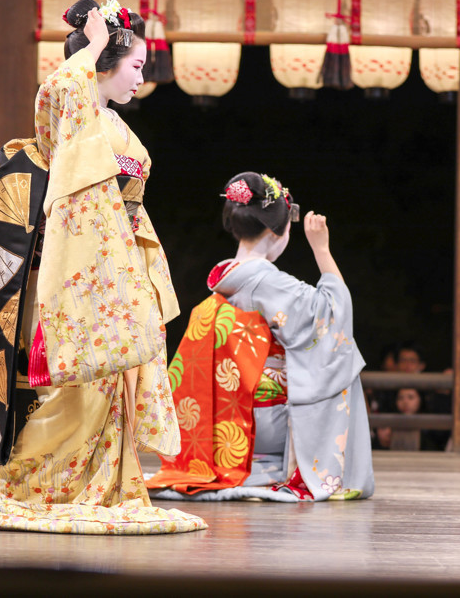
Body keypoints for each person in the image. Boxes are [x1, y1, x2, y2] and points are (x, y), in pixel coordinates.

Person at [0, 0, 205, 535]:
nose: (142, 78)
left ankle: (101, 485)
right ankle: (29, 483)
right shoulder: (71, 106)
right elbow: (59, 90)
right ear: (104, 62)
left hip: (118, 266)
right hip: (81, 267)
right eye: (137, 65)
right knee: (76, 386)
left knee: (112, 387)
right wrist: (95, 46)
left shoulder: (116, 124)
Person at [147, 172, 373, 501]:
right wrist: (321, 249)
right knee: (337, 357)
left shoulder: (228, 275)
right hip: (265, 418)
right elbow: (333, 315)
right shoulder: (269, 282)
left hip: (230, 412)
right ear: (275, 231)